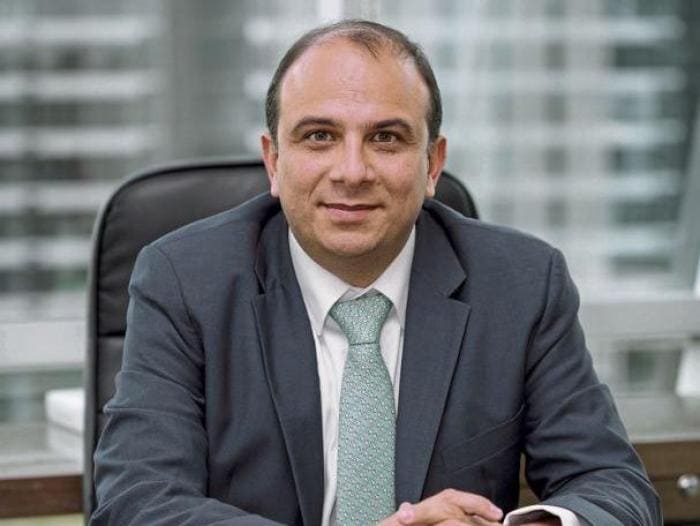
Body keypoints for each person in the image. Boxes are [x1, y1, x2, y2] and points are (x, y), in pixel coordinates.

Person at [91, 20, 661, 526]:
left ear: (432, 164)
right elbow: (137, 501)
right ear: (274, 161)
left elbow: (614, 486)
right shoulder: (184, 281)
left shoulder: (521, 283)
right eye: (319, 136)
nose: (352, 171)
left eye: (385, 138)